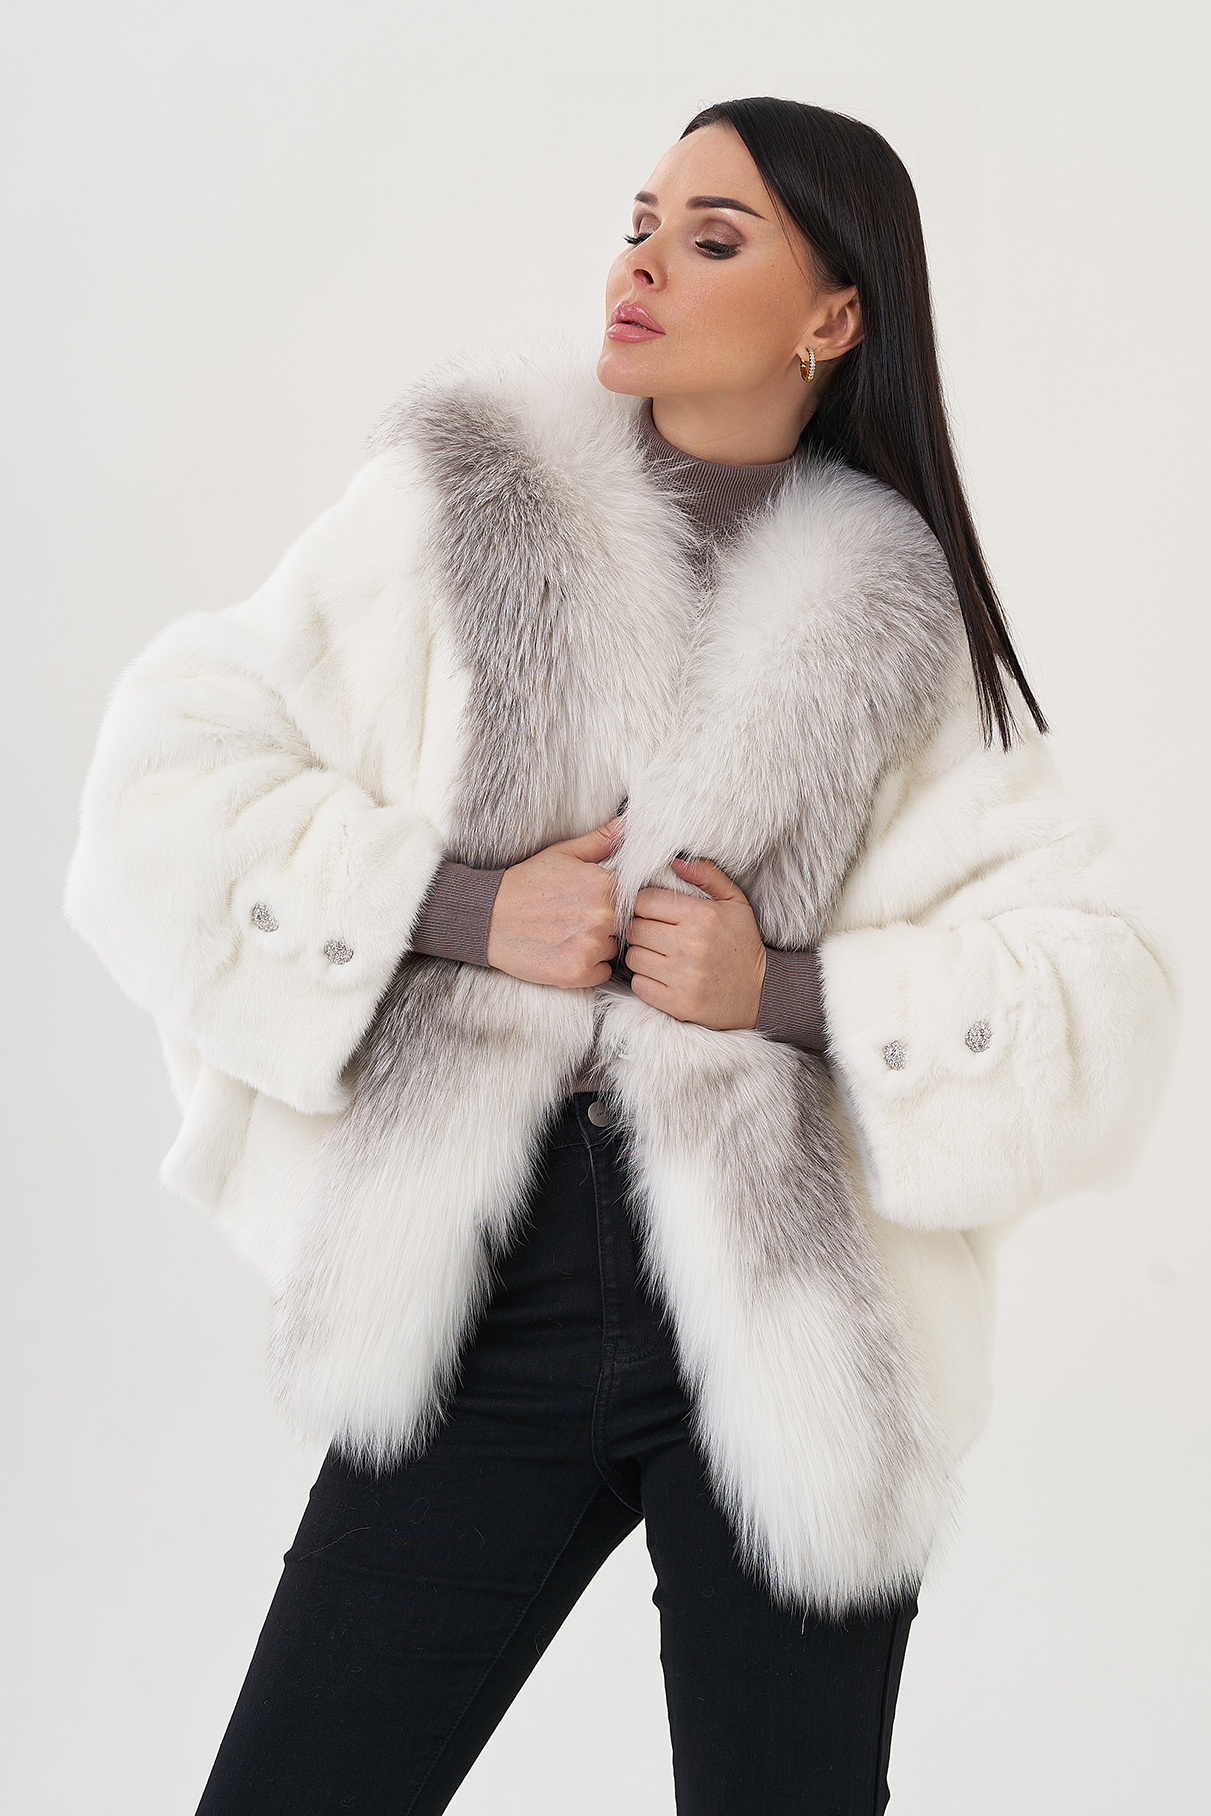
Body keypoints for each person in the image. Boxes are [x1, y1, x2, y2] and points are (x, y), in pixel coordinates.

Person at [65, 96, 1176, 1815]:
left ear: (833, 317)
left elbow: (1105, 993)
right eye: (640, 221)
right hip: (486, 1289)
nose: (642, 262)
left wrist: (784, 993)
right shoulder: (460, 506)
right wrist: (461, 906)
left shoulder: (899, 624)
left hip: (785, 1319)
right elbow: (157, 790)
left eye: (713, 237)